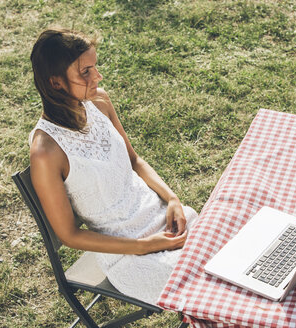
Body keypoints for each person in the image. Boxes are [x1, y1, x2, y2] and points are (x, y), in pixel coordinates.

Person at [28, 28, 198, 305]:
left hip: (163, 221)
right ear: (56, 83)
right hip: (126, 254)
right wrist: (146, 246)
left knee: (227, 255)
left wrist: (172, 198)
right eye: (85, 72)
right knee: (207, 285)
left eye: (94, 67)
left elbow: (134, 160)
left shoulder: (99, 102)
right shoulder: (46, 152)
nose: (97, 77)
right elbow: (70, 235)